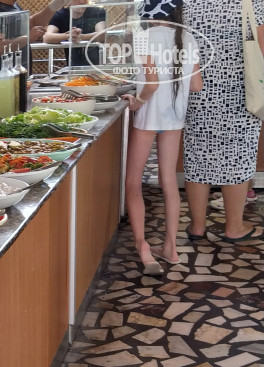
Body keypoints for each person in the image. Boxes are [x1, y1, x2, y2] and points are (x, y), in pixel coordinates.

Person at [121, 0, 202, 274]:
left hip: (148, 117)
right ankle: (171, 248)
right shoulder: (188, 37)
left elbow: (152, 83)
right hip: (174, 117)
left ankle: (142, 245)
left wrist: (137, 102)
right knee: (169, 181)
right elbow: (196, 85)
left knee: (133, 182)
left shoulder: (144, 36)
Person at [183, 1, 264, 243]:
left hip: (197, 90)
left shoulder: (187, 2)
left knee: (197, 155)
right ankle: (235, 227)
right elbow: (260, 46)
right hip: (241, 91)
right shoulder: (252, 2)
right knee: (238, 155)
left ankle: (197, 226)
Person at [0, 0, 73, 74]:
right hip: (3, 77)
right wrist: (28, 37)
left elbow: (33, 21)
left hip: (19, 74)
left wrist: (56, 5)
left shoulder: (15, 7)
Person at [43, 0, 106, 67]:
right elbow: (47, 37)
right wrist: (68, 36)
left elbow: (102, 35)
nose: (82, 2)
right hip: (73, 67)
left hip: (98, 65)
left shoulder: (97, 12)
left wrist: (80, 37)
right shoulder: (60, 15)